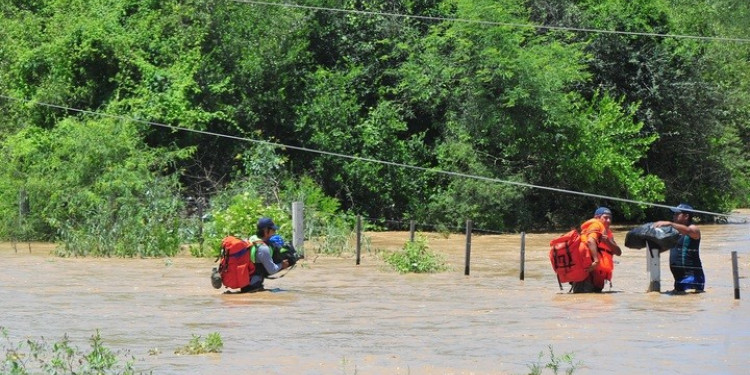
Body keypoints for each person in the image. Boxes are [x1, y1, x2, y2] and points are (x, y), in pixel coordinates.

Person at [654, 203, 704, 294]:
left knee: (689, 304)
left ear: (686, 216)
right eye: (674, 214)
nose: (674, 216)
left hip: (692, 279)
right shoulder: (676, 233)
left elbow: (688, 231)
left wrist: (670, 224)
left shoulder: (693, 229)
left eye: (677, 214)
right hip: (679, 280)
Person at [571, 207, 623, 293]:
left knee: (597, 304)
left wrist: (608, 242)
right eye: (605, 217)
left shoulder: (608, 233)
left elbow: (618, 252)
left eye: (610, 218)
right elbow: (590, 241)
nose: (608, 220)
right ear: (597, 218)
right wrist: (596, 261)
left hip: (598, 277)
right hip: (587, 276)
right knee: (583, 304)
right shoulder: (596, 225)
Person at [241, 217, 290, 293]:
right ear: (265, 230)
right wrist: (282, 265)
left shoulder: (252, 239)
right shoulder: (263, 248)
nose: (274, 233)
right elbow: (272, 270)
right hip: (253, 287)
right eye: (273, 230)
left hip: (245, 284)